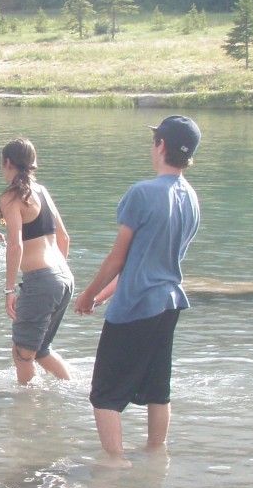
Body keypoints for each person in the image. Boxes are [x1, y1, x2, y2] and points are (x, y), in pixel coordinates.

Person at [74, 115, 201, 457]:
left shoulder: (142, 193)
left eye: (154, 141)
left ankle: (114, 466)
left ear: (161, 146)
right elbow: (151, 261)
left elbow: (119, 259)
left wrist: (87, 294)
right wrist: (101, 296)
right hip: (170, 302)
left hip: (135, 307)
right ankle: (156, 455)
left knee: (104, 394)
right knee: (158, 390)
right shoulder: (191, 197)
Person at [0, 138, 73, 385]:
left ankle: (28, 415)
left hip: (43, 279)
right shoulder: (42, 191)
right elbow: (64, 237)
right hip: (64, 277)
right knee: (40, 350)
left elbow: (15, 244)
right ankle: (72, 389)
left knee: (22, 354)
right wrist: (55, 277)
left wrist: (10, 289)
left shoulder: (12, 197)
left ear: (8, 162)